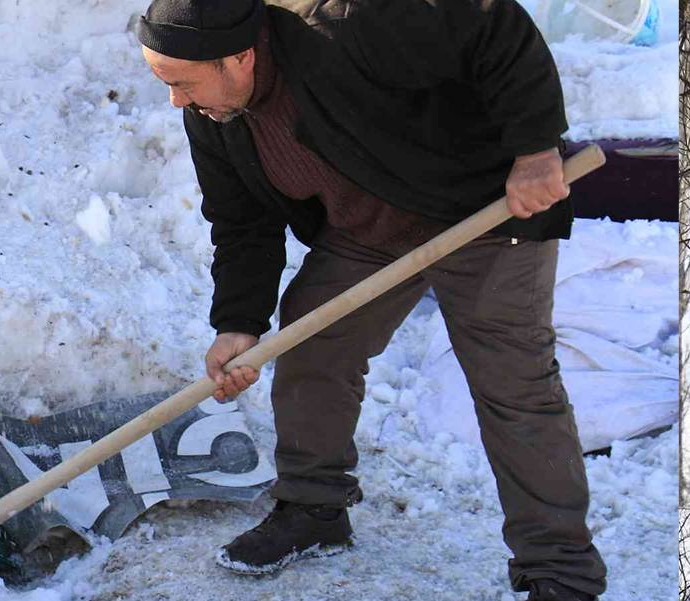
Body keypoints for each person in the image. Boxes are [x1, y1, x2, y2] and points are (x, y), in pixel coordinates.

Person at [135, 0, 607, 599]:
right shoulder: (214, 114)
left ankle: (560, 570)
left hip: (485, 213)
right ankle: (314, 509)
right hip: (371, 232)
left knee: (514, 386)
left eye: (180, 82)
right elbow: (241, 222)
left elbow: (493, 22)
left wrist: (536, 149)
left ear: (239, 57)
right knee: (312, 346)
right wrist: (238, 324)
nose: (176, 100)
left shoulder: (350, 27)